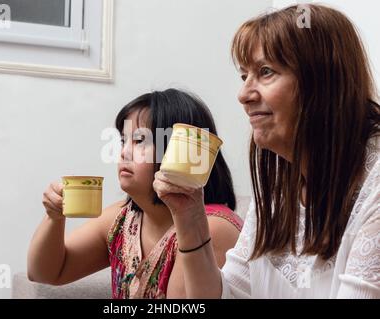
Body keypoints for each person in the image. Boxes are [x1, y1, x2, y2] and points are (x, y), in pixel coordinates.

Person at [154, 4, 380, 298]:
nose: (244, 95)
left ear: (323, 81)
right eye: (244, 76)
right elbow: (227, 294)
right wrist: (190, 218)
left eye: (265, 72)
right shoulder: (277, 186)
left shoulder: (373, 186)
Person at [27, 89, 243, 299]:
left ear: (180, 150)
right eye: (123, 140)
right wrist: (54, 217)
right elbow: (45, 272)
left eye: (140, 141)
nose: (124, 152)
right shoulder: (123, 219)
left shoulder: (211, 227)